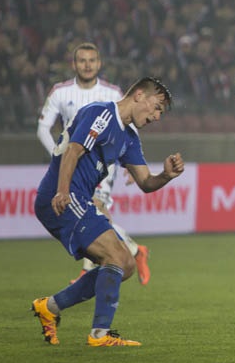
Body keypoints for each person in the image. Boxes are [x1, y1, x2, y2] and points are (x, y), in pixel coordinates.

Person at [31, 77, 184, 346]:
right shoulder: (101, 113)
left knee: (124, 265)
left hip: (78, 197)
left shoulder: (129, 136)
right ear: (138, 95)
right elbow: (73, 151)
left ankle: (50, 308)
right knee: (116, 256)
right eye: (157, 107)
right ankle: (100, 335)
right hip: (62, 195)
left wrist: (166, 176)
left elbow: (146, 182)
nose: (157, 116)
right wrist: (62, 191)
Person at [38, 42, 152, 285]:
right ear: (74, 64)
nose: (87, 65)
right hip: (70, 160)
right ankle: (132, 250)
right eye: (82, 61)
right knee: (95, 215)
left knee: (96, 207)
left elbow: (128, 126)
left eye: (92, 61)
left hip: (102, 166)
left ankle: (92, 268)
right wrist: (58, 157)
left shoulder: (112, 93)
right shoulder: (60, 92)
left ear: (99, 64)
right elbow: (42, 128)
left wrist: (130, 165)